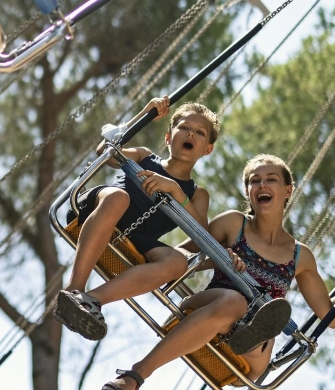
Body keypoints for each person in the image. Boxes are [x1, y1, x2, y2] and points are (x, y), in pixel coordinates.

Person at [97, 154, 335, 390]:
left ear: (287, 190)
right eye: (255, 181)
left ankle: (250, 330)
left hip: (248, 359)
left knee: (256, 318)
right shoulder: (233, 224)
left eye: (271, 180)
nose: (262, 186)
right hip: (207, 309)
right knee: (235, 302)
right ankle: (136, 376)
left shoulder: (300, 256)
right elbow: (183, 255)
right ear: (248, 192)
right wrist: (214, 253)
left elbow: (331, 316)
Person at [54, 98, 218, 340]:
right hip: (101, 208)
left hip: (136, 237)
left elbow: (201, 234)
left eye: (199, 132)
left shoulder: (196, 193)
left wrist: (175, 190)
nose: (190, 134)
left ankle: (91, 300)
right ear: (168, 136)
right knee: (119, 198)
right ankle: (75, 288)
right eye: (183, 127)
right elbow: (105, 152)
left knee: (178, 263)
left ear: (207, 149)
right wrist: (144, 113)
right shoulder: (145, 156)